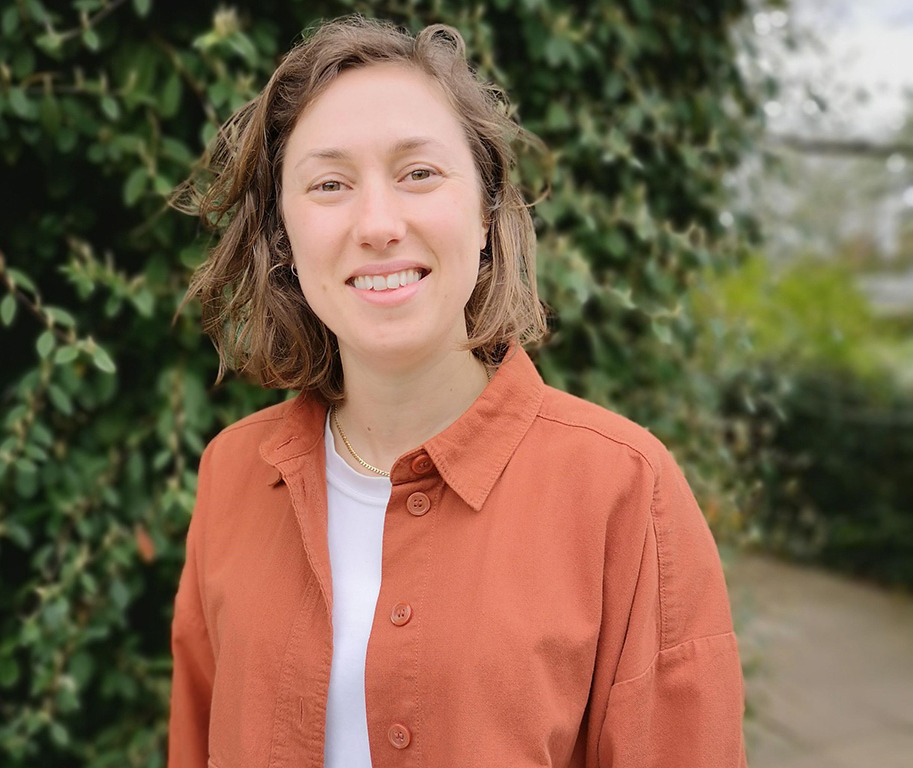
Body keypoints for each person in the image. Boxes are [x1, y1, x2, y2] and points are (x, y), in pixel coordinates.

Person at [168, 15, 747, 768]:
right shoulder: (232, 475)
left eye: (418, 173)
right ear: (284, 235)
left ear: (486, 213)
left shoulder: (623, 488)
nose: (378, 224)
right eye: (329, 183)